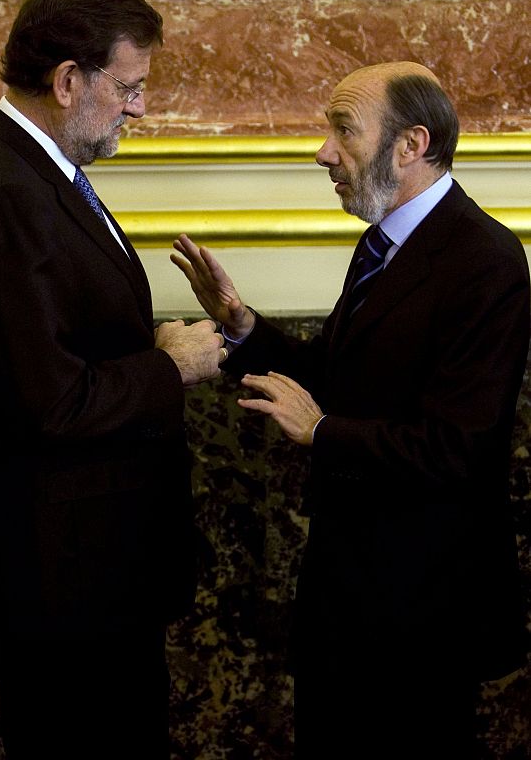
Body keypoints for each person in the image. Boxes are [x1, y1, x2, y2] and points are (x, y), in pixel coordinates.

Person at [171, 61, 530, 758]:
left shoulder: (484, 258)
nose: (323, 152)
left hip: (422, 616)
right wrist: (242, 324)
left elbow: (458, 447)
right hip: (352, 604)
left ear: (410, 144)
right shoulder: (384, 242)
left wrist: (324, 434)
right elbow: (331, 378)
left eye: (343, 130)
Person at [0, 0, 227, 760]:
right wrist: (172, 366)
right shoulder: (6, 194)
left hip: (92, 576)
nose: (140, 107)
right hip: (63, 587)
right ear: (68, 81)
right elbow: (51, 403)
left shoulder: (37, 174)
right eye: (128, 87)